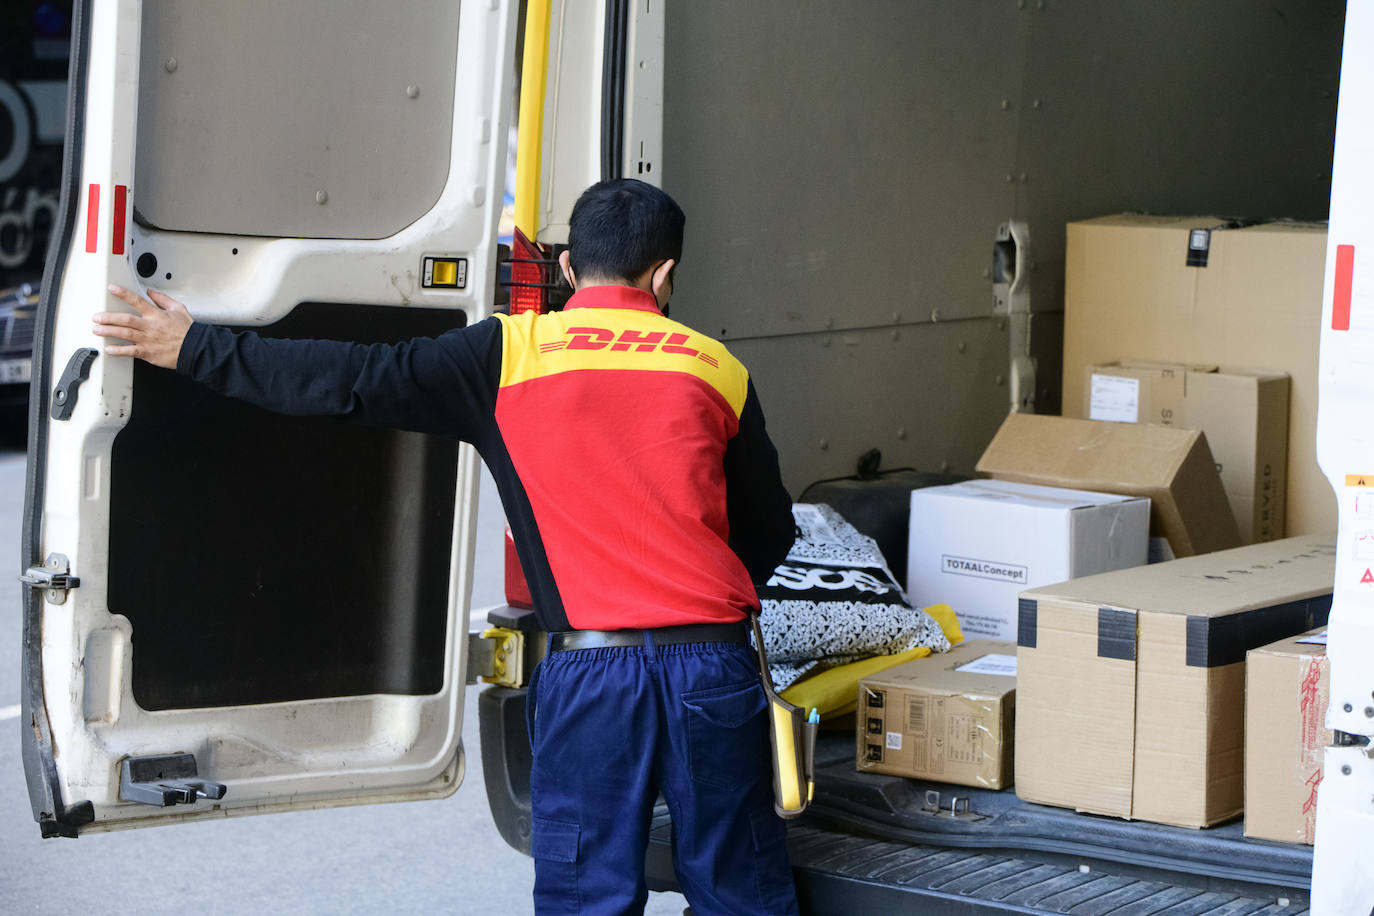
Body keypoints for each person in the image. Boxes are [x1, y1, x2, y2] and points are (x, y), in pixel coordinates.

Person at [94, 178, 800, 915]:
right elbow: (771, 527)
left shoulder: (509, 354)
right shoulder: (715, 367)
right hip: (712, 671)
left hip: (594, 674)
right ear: (664, 275)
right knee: (740, 890)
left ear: (566, 269)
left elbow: (349, 380)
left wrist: (198, 348)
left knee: (588, 896)